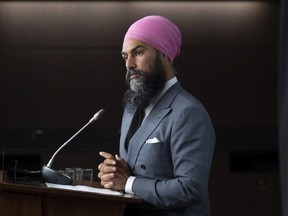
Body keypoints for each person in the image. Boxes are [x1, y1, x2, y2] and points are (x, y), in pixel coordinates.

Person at [97, 15, 215, 216]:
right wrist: (113, 173)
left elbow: (190, 189)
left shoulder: (188, 112)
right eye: (125, 57)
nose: (129, 64)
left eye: (139, 52)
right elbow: (130, 174)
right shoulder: (131, 109)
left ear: (164, 55)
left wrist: (129, 183)